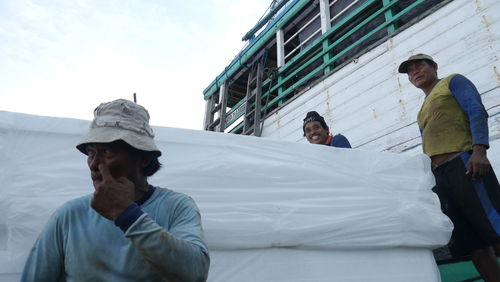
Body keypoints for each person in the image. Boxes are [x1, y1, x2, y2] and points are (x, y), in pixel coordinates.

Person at [21, 99, 210, 281]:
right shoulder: (69, 216)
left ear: (143, 158)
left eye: (107, 152)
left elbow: (195, 273)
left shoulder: (176, 207)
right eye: (91, 153)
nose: (94, 164)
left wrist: (127, 215)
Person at [399, 54, 500, 281]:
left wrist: (479, 151)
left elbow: (476, 110)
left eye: (419, 66)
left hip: (465, 164)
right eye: (409, 71)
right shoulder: (422, 110)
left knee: (494, 227)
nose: (414, 72)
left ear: (434, 67)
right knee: (472, 241)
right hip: (441, 177)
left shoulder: (453, 81)